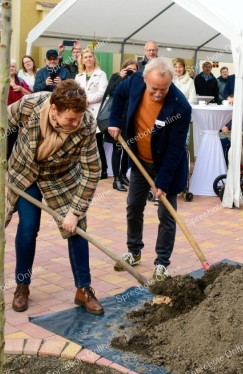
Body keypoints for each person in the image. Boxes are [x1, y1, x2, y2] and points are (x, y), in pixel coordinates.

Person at [0, 80, 104, 315]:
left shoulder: (86, 123)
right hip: (26, 171)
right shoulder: (30, 105)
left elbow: (92, 171)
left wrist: (74, 212)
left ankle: (83, 289)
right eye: (70, 119)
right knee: (28, 227)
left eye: (78, 118)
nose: (75, 123)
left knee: (77, 229)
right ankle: (22, 285)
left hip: (61, 177)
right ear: (54, 110)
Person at [108, 57, 192, 282]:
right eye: (154, 88)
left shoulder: (180, 106)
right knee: (134, 206)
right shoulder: (135, 81)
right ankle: (134, 251)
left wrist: (162, 182)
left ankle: (162, 262)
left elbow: (175, 149)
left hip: (167, 166)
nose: (158, 93)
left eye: (163, 89)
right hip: (139, 160)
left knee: (166, 214)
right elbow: (118, 94)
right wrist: (114, 120)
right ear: (145, 80)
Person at [104, 59, 139, 192]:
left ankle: (124, 175)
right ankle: (116, 179)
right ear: (123, 69)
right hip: (118, 118)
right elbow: (111, 91)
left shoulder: (138, 81)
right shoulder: (116, 77)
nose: (132, 72)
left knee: (127, 148)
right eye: (129, 69)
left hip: (131, 118)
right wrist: (121, 77)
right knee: (117, 149)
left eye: (134, 70)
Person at [75, 49, 108, 180]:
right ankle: (85, 169)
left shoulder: (101, 74)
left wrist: (88, 98)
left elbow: (102, 92)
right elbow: (75, 91)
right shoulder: (78, 77)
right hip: (83, 111)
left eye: (90, 57)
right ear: (82, 60)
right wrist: (82, 100)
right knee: (84, 142)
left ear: (94, 58)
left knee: (97, 141)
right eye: (85, 57)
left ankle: (103, 170)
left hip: (96, 111)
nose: (88, 59)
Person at [220, 94, 243, 162]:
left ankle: (224, 166)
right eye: (229, 103)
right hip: (226, 134)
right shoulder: (225, 113)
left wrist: (239, 129)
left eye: (233, 103)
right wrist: (222, 126)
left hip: (239, 136)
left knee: (223, 143)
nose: (231, 105)